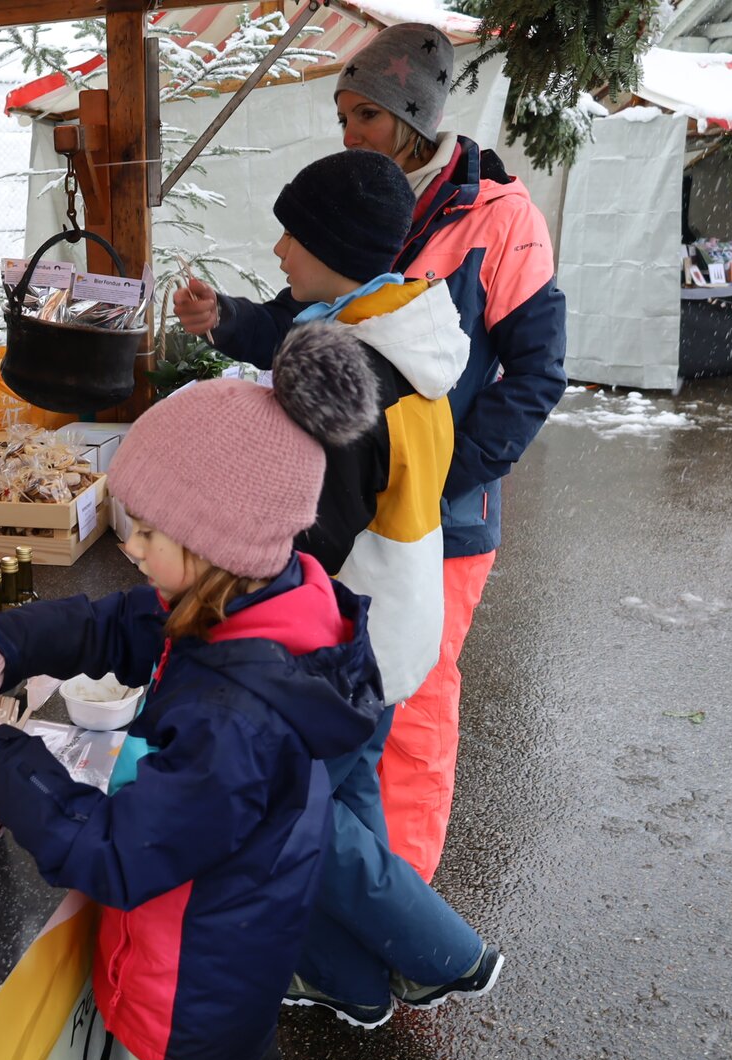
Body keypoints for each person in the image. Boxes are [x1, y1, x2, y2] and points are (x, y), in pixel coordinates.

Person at [0, 329, 386, 1060]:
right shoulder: (260, 604)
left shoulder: (235, 714)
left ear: (213, 542)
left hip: (187, 997)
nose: (128, 544)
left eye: (145, 530)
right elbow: (111, 625)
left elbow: (117, 857)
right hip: (239, 967)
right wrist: (1, 639)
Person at [174, 22, 568, 882]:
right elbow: (305, 316)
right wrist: (227, 320)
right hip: (344, 509)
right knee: (348, 705)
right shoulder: (362, 197)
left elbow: (538, 375)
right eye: (343, 115)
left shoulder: (502, 217)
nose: (350, 133)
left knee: (415, 705)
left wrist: (428, 479)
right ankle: (350, 894)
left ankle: (404, 901)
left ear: (416, 120)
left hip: (443, 518)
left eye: (367, 117)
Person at [248, 148, 501, 1030]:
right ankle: (346, 982)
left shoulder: (343, 362)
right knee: (348, 796)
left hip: (341, 631)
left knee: (297, 814)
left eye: (294, 232)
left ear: (335, 248)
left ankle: (443, 955)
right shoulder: (412, 329)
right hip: (396, 616)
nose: (279, 248)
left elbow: (316, 529)